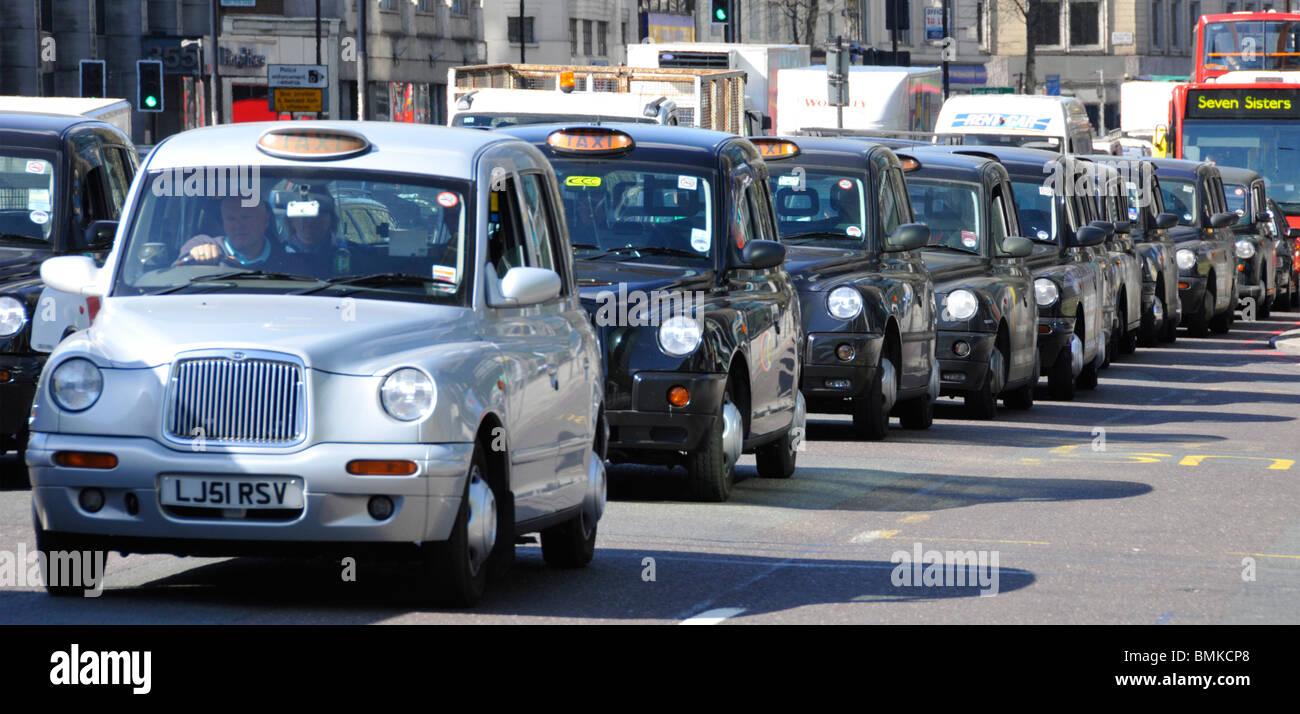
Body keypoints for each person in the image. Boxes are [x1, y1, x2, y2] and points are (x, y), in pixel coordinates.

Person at [174, 196, 286, 269]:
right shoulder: (204, 244)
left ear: (266, 220)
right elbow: (175, 274)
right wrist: (195, 256)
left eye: (246, 217)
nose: (238, 225)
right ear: (223, 223)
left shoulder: (286, 262)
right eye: (231, 219)